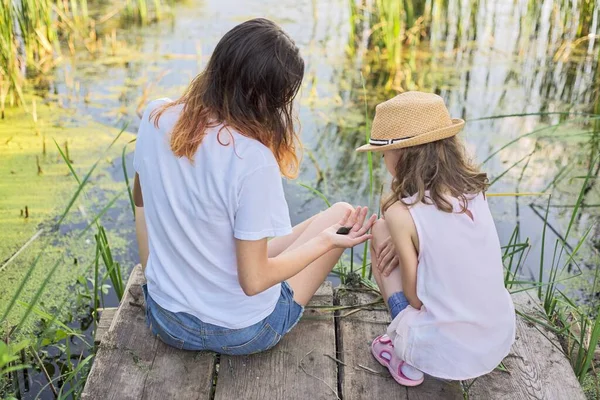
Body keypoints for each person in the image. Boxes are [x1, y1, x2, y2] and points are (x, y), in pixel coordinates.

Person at [132, 18, 376, 354]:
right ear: (268, 100)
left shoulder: (155, 116)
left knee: (338, 217)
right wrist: (324, 242)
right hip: (242, 332)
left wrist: (156, 279)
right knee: (342, 216)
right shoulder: (252, 159)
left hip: (166, 320)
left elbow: (140, 202)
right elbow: (255, 281)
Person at [356, 91, 515, 385]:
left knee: (378, 231)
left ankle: (404, 356)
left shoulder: (400, 213)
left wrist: (409, 249)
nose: (382, 159)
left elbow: (416, 299)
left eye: (384, 153)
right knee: (390, 233)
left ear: (401, 154)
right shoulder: (474, 189)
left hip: (444, 352)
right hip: (494, 337)